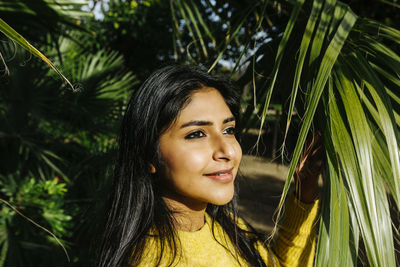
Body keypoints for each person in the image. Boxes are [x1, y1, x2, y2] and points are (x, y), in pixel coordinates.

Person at [98, 65, 322, 267]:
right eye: (196, 134)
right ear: (149, 156)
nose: (227, 151)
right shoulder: (160, 260)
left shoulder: (221, 224)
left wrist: (303, 195)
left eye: (228, 130)